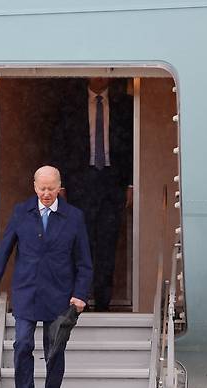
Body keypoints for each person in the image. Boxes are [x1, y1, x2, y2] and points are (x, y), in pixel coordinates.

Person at [0, 165, 92, 388]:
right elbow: (4, 250)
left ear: (59, 187)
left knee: (55, 352)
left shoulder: (74, 217)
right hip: (26, 292)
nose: (46, 193)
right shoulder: (22, 212)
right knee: (22, 346)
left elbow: (84, 261)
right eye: (42, 188)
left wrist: (80, 294)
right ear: (34, 186)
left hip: (59, 295)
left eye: (51, 188)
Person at [50, 78, 133, 312]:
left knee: (108, 243)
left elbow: (131, 147)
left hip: (112, 182)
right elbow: (59, 145)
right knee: (80, 243)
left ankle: (103, 302)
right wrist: (61, 185)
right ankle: (79, 300)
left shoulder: (123, 104)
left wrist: (131, 184)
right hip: (80, 182)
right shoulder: (71, 104)